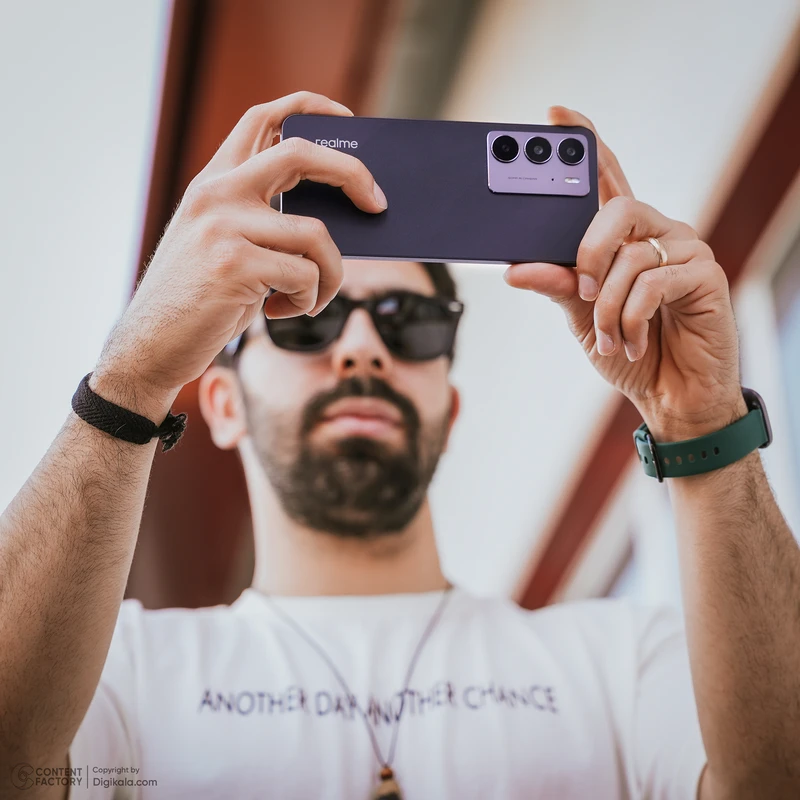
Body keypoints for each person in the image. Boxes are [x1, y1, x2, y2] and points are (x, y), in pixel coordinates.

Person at [1, 91, 798, 800]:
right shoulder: (124, 676)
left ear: (450, 409)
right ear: (222, 403)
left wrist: (700, 421)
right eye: (309, 318)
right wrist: (132, 376)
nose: (362, 351)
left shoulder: (622, 660)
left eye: (408, 325)